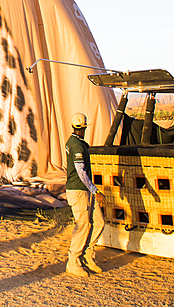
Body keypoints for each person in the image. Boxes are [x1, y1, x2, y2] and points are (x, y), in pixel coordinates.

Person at [65, 112, 106, 277]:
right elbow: (80, 171)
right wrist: (96, 191)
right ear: (83, 128)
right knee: (82, 225)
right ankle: (73, 261)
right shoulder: (76, 146)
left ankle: (87, 254)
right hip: (79, 190)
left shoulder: (77, 143)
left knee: (99, 222)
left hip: (85, 190)